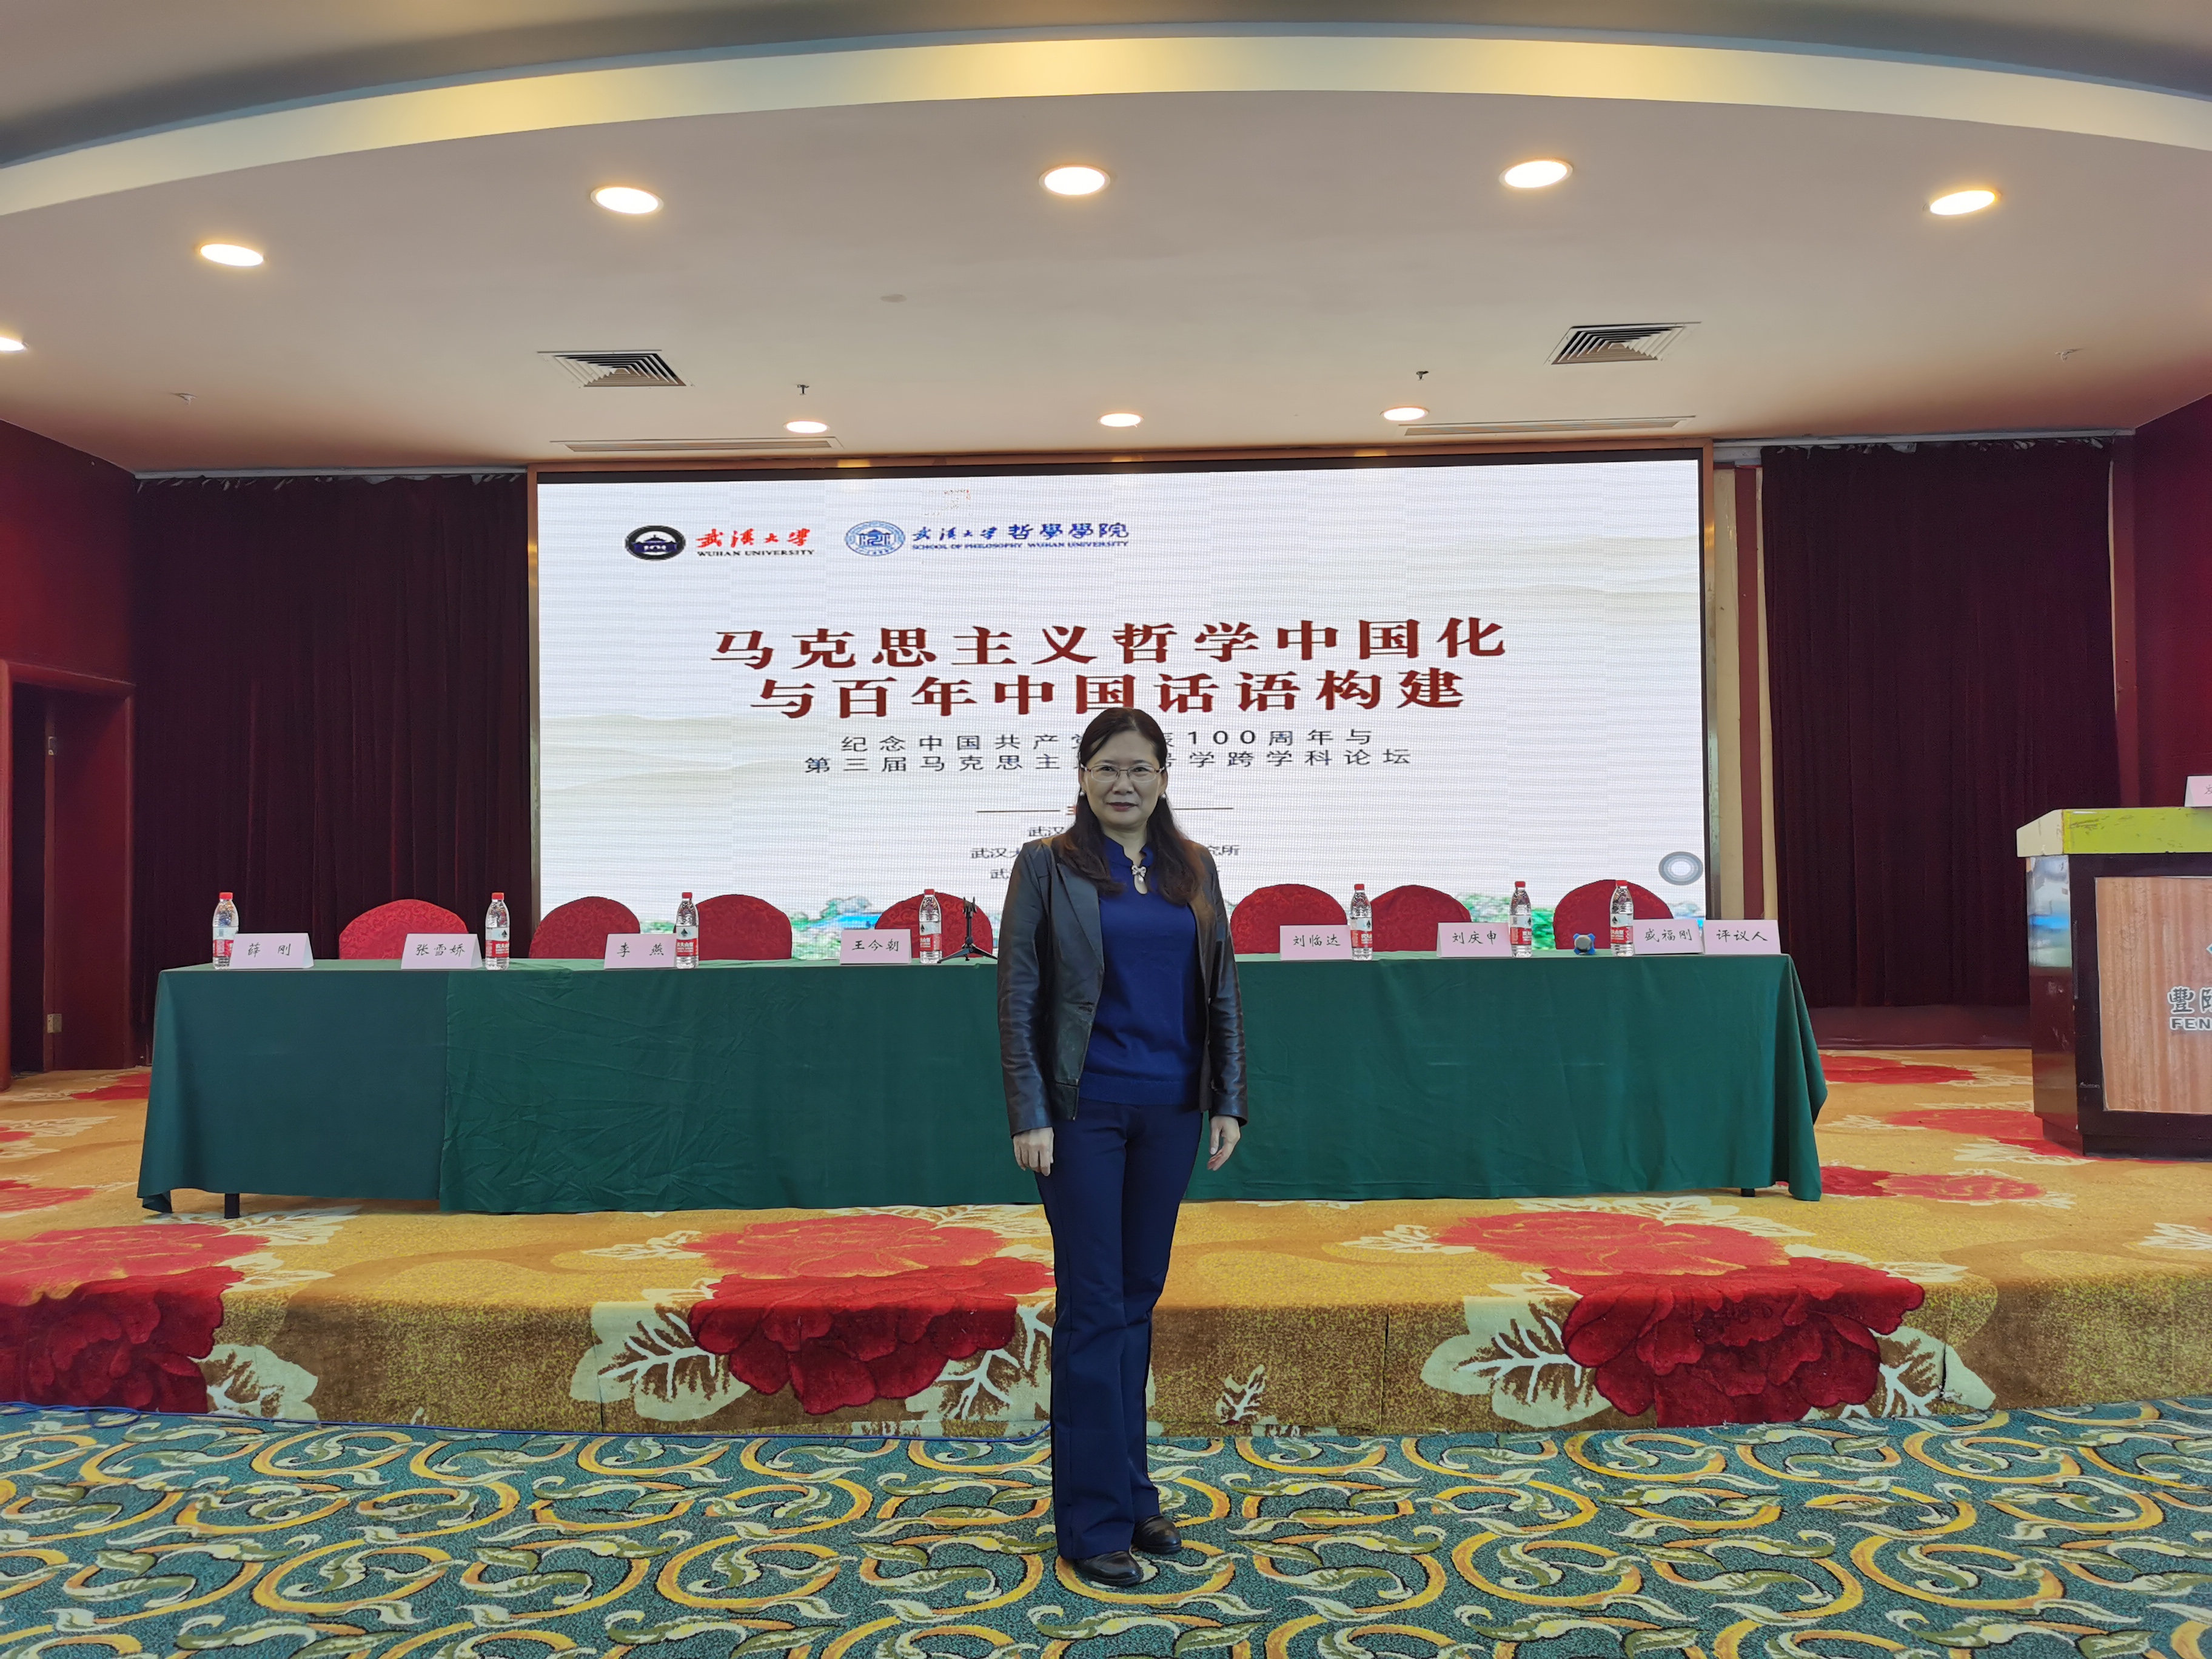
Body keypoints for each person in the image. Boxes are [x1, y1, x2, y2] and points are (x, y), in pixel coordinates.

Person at [997, 706, 1247, 1587]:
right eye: (1106, 767)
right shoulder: (1046, 865)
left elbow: (1222, 990)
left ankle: (1134, 1493)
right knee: (1096, 1306)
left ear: (1164, 778)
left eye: (1140, 768)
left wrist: (1228, 1100)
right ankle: (1091, 1521)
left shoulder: (1195, 868)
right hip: (1082, 1114)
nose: (1123, 784)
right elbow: (1019, 997)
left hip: (1171, 1111)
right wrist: (1030, 1112)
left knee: (1138, 1302)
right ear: (1082, 776)